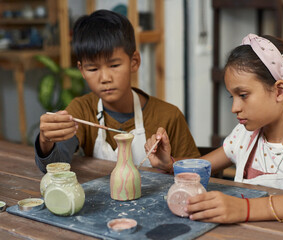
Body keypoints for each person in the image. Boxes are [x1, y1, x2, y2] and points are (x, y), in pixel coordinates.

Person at [145, 33, 283, 223]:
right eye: (231, 97)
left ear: (279, 91)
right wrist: (169, 163)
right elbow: (199, 167)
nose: (234, 108)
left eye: (243, 95)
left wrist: (245, 209)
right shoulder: (243, 138)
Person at [35, 9, 200, 173]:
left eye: (114, 65)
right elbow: (55, 165)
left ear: (134, 62)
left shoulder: (168, 116)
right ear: (82, 70)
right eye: (93, 68)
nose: (105, 78)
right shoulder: (82, 111)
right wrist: (45, 141)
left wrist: (170, 163)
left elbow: (198, 171)